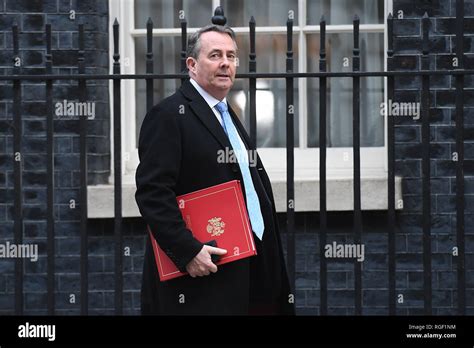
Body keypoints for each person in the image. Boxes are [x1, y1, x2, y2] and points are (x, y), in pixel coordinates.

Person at [135, 23, 294, 315]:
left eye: (232, 56)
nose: (226, 63)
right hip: (203, 277)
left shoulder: (226, 114)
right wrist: (188, 251)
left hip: (252, 265)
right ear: (192, 65)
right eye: (215, 55)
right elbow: (152, 193)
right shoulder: (169, 115)